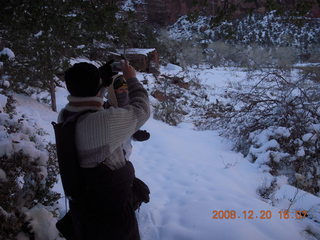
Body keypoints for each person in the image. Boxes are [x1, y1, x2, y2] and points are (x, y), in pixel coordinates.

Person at [57, 60, 150, 240]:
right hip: (112, 214)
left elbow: (88, 92)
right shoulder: (102, 123)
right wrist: (132, 79)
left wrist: (104, 75)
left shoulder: (66, 115)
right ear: (98, 86)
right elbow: (142, 109)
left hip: (85, 206)